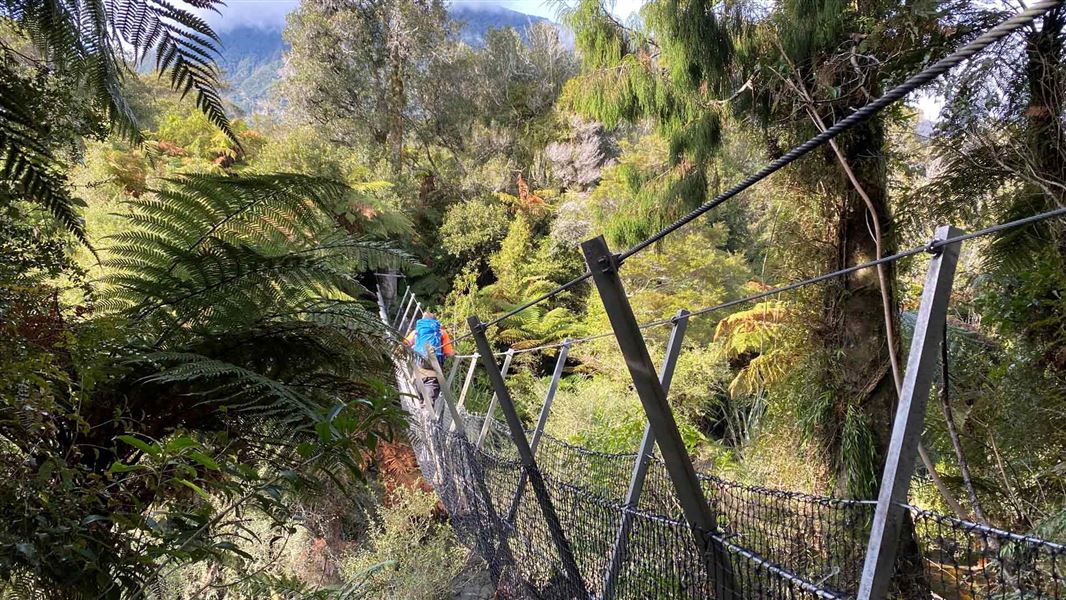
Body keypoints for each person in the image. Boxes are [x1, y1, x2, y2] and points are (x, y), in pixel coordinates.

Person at [404, 311, 454, 404]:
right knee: (429, 406)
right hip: (433, 374)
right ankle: (428, 417)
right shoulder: (441, 333)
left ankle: (422, 416)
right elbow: (449, 354)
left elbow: (403, 346)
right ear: (435, 322)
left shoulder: (416, 332)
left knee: (420, 403)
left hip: (417, 374)